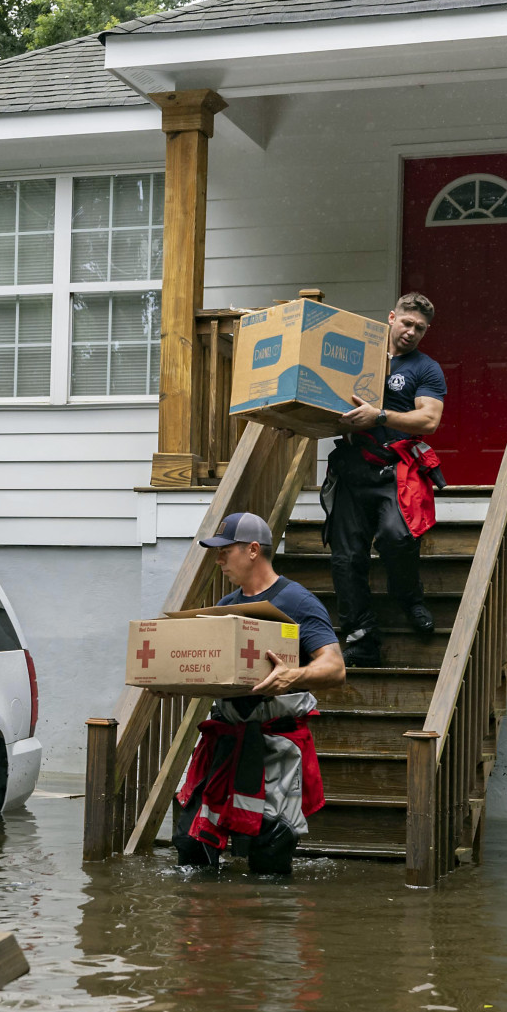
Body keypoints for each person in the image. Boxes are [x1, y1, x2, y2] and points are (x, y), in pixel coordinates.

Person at [171, 511, 347, 877]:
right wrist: (171, 682)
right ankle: (203, 927)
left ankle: (266, 924)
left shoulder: (298, 602)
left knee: (269, 849)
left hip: (275, 741)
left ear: (253, 550)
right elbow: (207, 671)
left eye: (225, 551)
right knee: (190, 843)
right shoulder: (225, 610)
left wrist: (292, 677)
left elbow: (335, 667)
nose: (218, 559)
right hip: (225, 738)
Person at [326, 292, 447, 667]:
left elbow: (429, 420)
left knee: (398, 537)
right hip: (350, 467)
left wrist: (381, 416)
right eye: (406, 323)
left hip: (395, 469)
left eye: (420, 329)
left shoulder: (425, 369)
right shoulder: (355, 355)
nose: (411, 332)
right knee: (346, 557)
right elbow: (320, 393)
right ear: (391, 317)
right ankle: (362, 637)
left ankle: (408, 596)